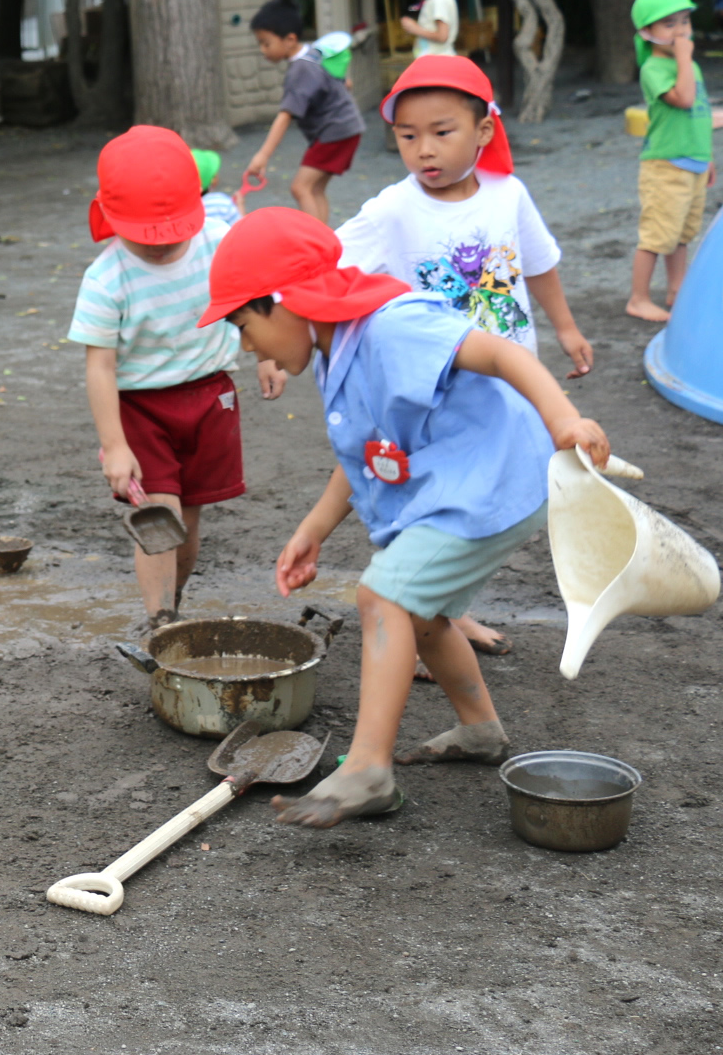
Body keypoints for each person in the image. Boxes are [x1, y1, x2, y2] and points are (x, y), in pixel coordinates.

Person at [202, 208, 609, 827]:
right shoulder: (334, 351)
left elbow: (502, 354)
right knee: (423, 613)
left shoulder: (391, 329)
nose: (244, 345)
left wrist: (564, 421)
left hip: (496, 481)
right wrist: (313, 529)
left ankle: (368, 766)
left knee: (382, 596)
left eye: (243, 324)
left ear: (283, 302)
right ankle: (481, 731)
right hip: (465, 486)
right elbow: (368, 452)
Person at [334, 55, 592, 658]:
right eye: (407, 136)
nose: (424, 149)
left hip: (506, 382)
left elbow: (539, 263)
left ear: (483, 131)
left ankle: (444, 612)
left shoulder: (508, 194)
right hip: (429, 395)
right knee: (419, 501)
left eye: (441, 132)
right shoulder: (393, 209)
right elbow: (330, 263)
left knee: (481, 508)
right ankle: (419, 619)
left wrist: (567, 328)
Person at [69, 126, 285, 631]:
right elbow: (99, 366)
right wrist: (115, 446)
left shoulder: (218, 241)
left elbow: (252, 299)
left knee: (187, 524)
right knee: (159, 519)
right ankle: (159, 623)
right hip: (141, 408)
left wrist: (266, 357)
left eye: (174, 233)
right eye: (148, 238)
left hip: (209, 397)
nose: (163, 248)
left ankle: (175, 602)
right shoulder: (106, 280)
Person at [629, 0, 712, 323]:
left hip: (693, 162)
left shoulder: (687, 66)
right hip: (665, 165)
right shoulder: (654, 68)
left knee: (681, 235)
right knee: (656, 235)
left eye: (684, 21)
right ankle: (638, 298)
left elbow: (701, 115)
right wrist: (683, 57)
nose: (680, 30)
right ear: (646, 32)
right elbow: (685, 100)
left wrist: (708, 159)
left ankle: (678, 289)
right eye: (669, 24)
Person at [240, 0, 365, 224]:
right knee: (314, 189)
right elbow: (345, 82)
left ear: (290, 40)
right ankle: (326, 243)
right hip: (346, 128)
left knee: (300, 188)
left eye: (266, 43)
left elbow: (285, 115)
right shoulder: (314, 54)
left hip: (334, 132)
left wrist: (263, 155)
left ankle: (316, 245)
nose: (262, 50)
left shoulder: (300, 70)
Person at [190, 148, 240, 225]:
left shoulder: (181, 209)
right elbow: (239, 229)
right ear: (213, 180)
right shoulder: (222, 203)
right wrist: (240, 205)